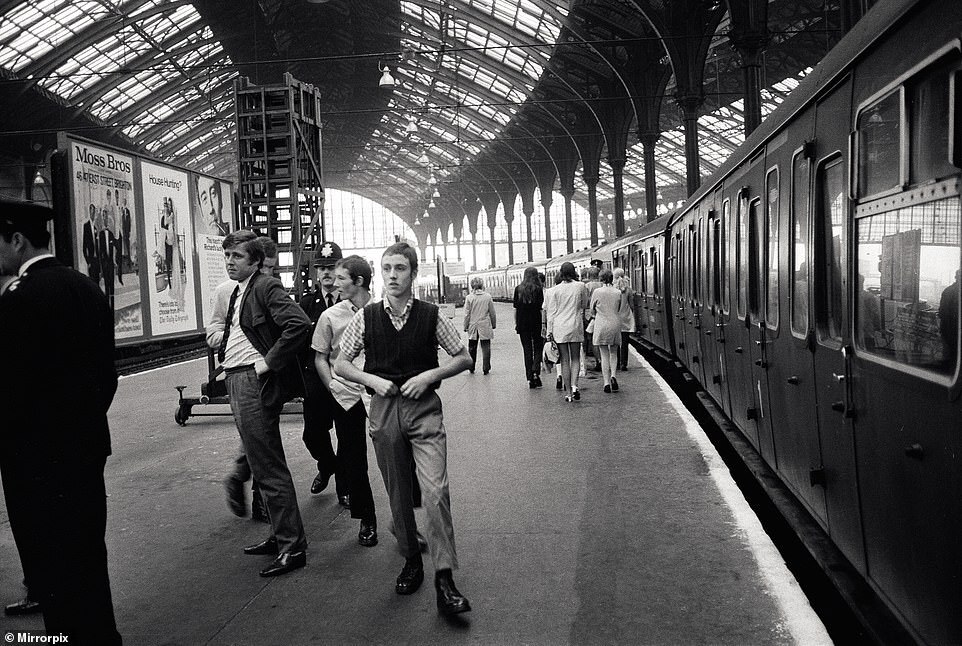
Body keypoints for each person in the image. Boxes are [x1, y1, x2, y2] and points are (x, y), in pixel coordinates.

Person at [0, 199, 122, 644]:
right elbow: (106, 376)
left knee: (51, 561)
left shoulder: (22, 296)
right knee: (88, 553)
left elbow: (10, 386)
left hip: (36, 457)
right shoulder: (85, 287)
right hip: (85, 446)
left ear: (16, 240)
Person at [335, 241, 473, 616]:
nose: (392, 276)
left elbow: (463, 357)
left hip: (424, 410)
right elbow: (340, 364)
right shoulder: (367, 317)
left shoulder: (430, 317)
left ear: (413, 274)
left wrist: (430, 374)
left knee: (435, 490)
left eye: (400, 269)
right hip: (383, 410)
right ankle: (410, 558)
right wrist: (373, 381)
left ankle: (444, 578)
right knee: (398, 491)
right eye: (387, 269)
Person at [217, 230, 312, 577]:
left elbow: (299, 324)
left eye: (237, 256)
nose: (230, 262)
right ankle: (280, 534)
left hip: (252, 382)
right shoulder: (240, 290)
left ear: (255, 261)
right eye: (227, 255)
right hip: (238, 379)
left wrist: (268, 362)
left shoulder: (264, 286)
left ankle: (292, 547)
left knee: (268, 466)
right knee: (261, 465)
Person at [206, 236, 279, 523]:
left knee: (264, 436)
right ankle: (247, 484)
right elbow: (213, 328)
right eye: (267, 267)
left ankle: (251, 487)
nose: (269, 274)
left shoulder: (270, 287)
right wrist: (232, 339)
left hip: (268, 373)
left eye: (273, 268)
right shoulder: (226, 291)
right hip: (243, 372)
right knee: (261, 436)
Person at [312, 255, 379, 547]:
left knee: (394, 457)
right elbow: (320, 357)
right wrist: (332, 385)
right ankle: (367, 519)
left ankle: (408, 520)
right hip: (347, 395)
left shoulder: (383, 311)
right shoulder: (331, 317)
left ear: (359, 282)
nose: (334, 283)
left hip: (379, 392)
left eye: (341, 278)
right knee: (353, 457)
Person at [297, 241, 345, 503]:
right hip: (315, 381)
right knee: (312, 435)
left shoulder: (351, 302)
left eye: (332, 267)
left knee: (348, 438)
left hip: (345, 379)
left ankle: (345, 487)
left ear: (341, 269)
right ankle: (328, 465)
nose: (326, 273)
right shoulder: (306, 304)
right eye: (321, 268)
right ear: (316, 273)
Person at [546, 261, 588, 402]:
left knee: (564, 360)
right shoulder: (580, 286)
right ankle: (575, 386)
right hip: (575, 325)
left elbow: (551, 313)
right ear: (574, 271)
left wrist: (549, 332)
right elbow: (584, 304)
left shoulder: (554, 291)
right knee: (575, 358)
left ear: (561, 273)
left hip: (559, 327)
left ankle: (568, 393)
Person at [590, 269, 623, 393]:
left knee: (604, 354)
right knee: (614, 352)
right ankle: (613, 375)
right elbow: (618, 308)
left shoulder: (597, 292)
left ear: (601, 279)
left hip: (601, 323)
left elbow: (592, 310)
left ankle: (606, 383)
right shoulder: (618, 292)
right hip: (615, 322)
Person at [513, 266, 544, 388]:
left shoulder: (518, 289)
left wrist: (516, 323)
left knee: (527, 349)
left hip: (522, 322)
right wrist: (543, 324)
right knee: (538, 347)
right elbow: (541, 308)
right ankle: (536, 370)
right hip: (536, 321)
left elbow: (515, 309)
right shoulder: (538, 289)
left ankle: (530, 378)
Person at [463, 276, 496, 374]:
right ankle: (486, 368)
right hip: (485, 325)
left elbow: (467, 314)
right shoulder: (488, 297)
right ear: (482, 285)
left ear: (472, 286)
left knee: (472, 347)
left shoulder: (469, 298)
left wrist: (465, 326)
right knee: (486, 346)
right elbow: (492, 313)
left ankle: (471, 366)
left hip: (473, 326)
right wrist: (493, 324)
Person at [613, 267, 635, 370]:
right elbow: (631, 304)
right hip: (625, 317)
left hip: (615, 317)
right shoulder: (628, 289)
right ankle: (624, 363)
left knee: (616, 342)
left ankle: (616, 363)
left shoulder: (613, 289)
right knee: (625, 342)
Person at [939, 269, 960, 367]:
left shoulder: (947, 291)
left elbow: (942, 312)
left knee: (948, 358)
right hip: (955, 332)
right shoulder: (956, 292)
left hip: (947, 331)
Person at [83, 203, 101, 284]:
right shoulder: (86, 226)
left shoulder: (96, 226)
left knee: (97, 280)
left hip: (97, 258)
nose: (92, 214)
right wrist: (88, 261)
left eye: (94, 212)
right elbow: (84, 246)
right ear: (89, 212)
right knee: (92, 281)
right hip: (91, 259)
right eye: (91, 212)